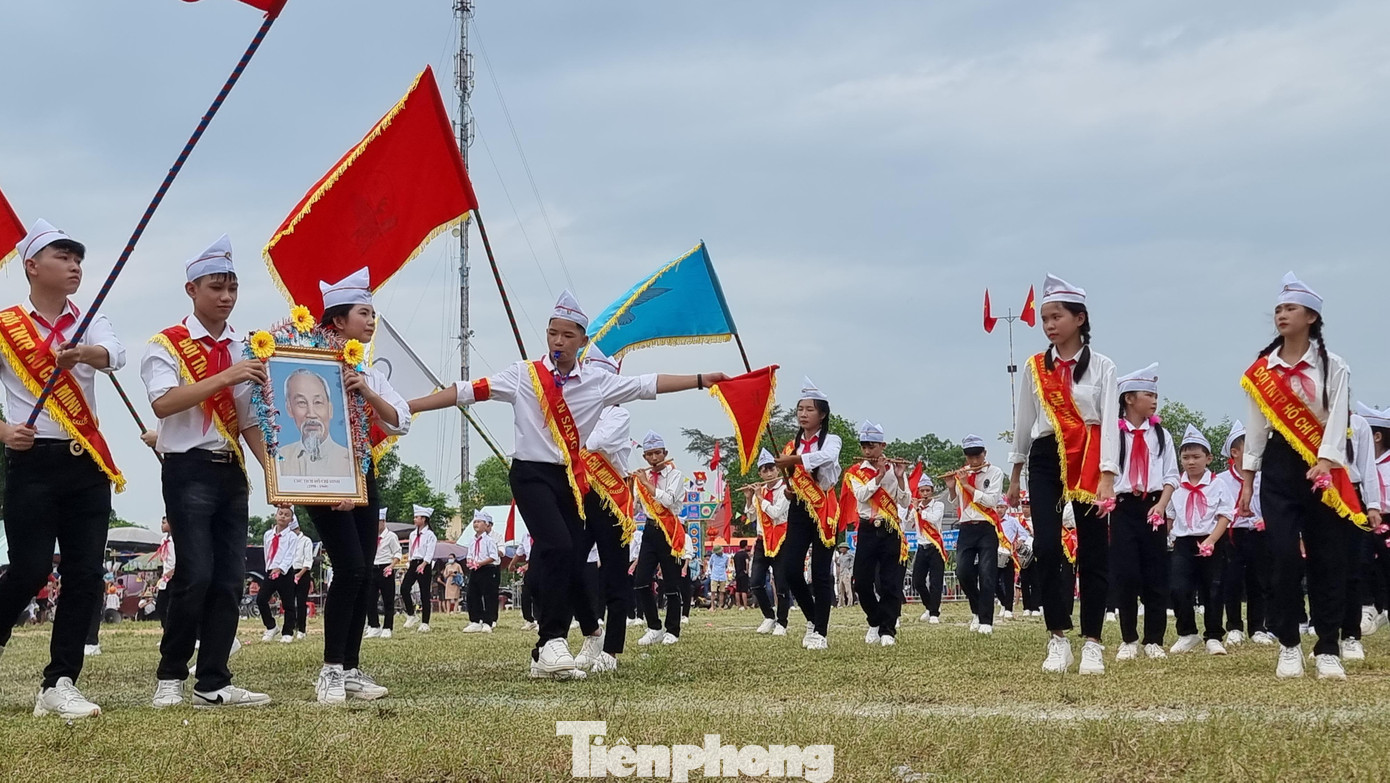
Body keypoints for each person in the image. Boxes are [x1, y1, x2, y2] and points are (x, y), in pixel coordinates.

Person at [406, 290, 727, 679]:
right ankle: (554, 640)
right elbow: (466, 391)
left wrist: (700, 380)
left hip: (571, 483)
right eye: (552, 333)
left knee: (570, 559)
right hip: (530, 475)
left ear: (583, 341)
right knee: (557, 547)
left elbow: (648, 384)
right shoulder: (524, 375)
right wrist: (410, 406)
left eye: (567, 335)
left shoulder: (597, 382)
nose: (558, 341)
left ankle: (555, 648)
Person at [0, 220, 125, 719]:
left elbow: (114, 354)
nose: (74, 267)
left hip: (84, 461)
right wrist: (4, 432)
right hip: (32, 461)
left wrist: (81, 354)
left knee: (85, 574)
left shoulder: (89, 319)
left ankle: (60, 682)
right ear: (32, 266)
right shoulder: (7, 325)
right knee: (29, 568)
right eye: (63, 257)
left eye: (78, 259)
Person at [141, 234, 271, 709]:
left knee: (230, 578)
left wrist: (275, 474)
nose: (226, 296)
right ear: (191, 289)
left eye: (233, 287)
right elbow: (163, 402)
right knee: (195, 573)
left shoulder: (244, 347)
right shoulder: (166, 345)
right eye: (216, 287)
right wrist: (225, 376)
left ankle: (213, 680)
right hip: (187, 467)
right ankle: (171, 674)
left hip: (230, 469)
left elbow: (249, 420)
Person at [1237, 272, 1373, 681]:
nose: (1281, 315)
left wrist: (1327, 461)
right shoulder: (1262, 370)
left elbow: (1338, 419)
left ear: (1311, 317)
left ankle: (1328, 645)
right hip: (1280, 462)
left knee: (1327, 557)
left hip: (1323, 466)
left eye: (1290, 308)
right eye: (1278, 309)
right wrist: (1248, 479)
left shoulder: (1333, 365)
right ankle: (1288, 644)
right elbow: (1256, 428)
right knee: (1281, 555)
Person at [297, 269, 407, 705]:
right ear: (338, 321)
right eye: (364, 313)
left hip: (361, 474)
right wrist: (332, 484)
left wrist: (367, 392)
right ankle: (330, 669)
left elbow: (399, 420)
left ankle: (351, 667)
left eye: (373, 314)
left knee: (363, 574)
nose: (371, 321)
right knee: (349, 569)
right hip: (321, 474)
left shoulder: (366, 372)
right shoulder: (310, 362)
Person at [1007, 274, 1120, 676]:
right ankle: (1057, 637)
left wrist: (1108, 474)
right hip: (1044, 456)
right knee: (1048, 547)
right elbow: (1024, 421)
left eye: (1057, 317)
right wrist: (1015, 473)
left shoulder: (1103, 367)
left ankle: (1092, 642)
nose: (1050, 325)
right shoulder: (1035, 368)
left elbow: (1109, 423)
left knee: (1093, 549)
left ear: (1079, 318)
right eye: (1045, 319)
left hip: (1088, 457)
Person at [573, 344, 638, 672]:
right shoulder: (576, 411)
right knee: (569, 567)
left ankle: (611, 650)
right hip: (580, 497)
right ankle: (591, 632)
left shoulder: (618, 414)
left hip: (611, 499)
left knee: (614, 576)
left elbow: (597, 443)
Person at [1109, 363, 1179, 662]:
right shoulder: (1113, 434)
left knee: (1156, 574)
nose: (1154, 401)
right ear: (1129, 399)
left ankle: (1154, 639)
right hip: (1123, 507)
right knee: (1126, 574)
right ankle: (1129, 638)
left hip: (1153, 507)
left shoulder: (1161, 435)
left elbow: (1171, 475)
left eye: (1155, 396)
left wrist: (1161, 505)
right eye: (1148, 395)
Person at [770, 377, 843, 651]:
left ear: (822, 414)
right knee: (790, 569)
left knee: (820, 573)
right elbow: (792, 478)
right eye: (800, 409)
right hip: (799, 509)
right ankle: (812, 616)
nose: (803, 414)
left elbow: (826, 458)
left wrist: (796, 460)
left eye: (809, 409)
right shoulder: (792, 445)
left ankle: (820, 631)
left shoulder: (831, 440)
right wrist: (790, 489)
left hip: (824, 509)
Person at [1166, 426, 1234, 656]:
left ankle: (1213, 636)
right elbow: (1170, 516)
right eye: (1186, 457)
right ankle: (1187, 632)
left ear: (1208, 458)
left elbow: (1225, 515)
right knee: (1178, 587)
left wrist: (1212, 540)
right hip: (1183, 541)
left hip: (1211, 540)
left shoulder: (1218, 484)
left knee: (1213, 589)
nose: (1191, 462)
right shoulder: (1175, 485)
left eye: (1196, 457)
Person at [844, 420, 911, 646]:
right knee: (861, 581)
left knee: (890, 582)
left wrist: (900, 477)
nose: (867, 451)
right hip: (867, 528)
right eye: (864, 447)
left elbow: (905, 501)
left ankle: (887, 630)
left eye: (871, 446)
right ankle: (875, 620)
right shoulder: (855, 472)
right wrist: (879, 476)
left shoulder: (895, 470)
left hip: (890, 528)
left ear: (883, 446)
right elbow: (861, 496)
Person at [1217, 422, 1273, 646]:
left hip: (1258, 533)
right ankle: (1234, 626)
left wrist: (1265, 520)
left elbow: (1269, 504)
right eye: (1249, 448)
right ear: (1235, 452)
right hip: (1232, 534)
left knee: (1258, 580)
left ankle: (1258, 627)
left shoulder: (1263, 477)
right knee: (1232, 580)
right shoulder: (1222, 480)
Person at [946, 434, 1007, 635]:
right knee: (962, 571)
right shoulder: (962, 473)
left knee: (987, 573)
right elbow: (956, 503)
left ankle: (986, 621)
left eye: (977, 456)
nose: (973, 460)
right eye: (969, 456)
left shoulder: (995, 473)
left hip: (986, 527)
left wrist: (967, 486)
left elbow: (991, 501)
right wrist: (952, 487)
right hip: (966, 527)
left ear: (984, 453)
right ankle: (977, 610)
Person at [633, 431, 687, 646]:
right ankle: (654, 627)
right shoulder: (642, 479)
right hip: (649, 531)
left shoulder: (675, 475)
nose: (654, 458)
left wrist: (646, 484)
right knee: (640, 582)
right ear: (644, 457)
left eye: (657, 453)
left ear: (665, 453)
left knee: (671, 584)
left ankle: (672, 629)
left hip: (670, 530)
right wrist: (629, 487)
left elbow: (668, 500)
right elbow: (636, 508)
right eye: (649, 454)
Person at [1341, 407, 1384, 661]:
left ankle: (1351, 635)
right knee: (1324, 568)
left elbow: (1367, 466)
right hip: (1321, 493)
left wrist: (1373, 505)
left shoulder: (1358, 424)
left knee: (1354, 567)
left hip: (1352, 494)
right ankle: (1326, 636)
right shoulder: (1310, 422)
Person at [744, 450, 791, 635]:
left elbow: (776, 512)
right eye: (765, 470)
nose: (769, 473)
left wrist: (760, 498)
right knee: (755, 582)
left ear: (777, 470)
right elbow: (751, 516)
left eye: (772, 469)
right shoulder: (760, 491)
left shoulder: (786, 489)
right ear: (760, 474)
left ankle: (782, 622)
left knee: (781, 583)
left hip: (781, 540)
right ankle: (769, 616)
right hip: (762, 541)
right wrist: (749, 497)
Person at [278, 368, 353, 477]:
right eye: (301, 403)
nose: (311, 414)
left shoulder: (349, 460)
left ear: (330, 409)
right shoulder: (279, 459)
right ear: (289, 409)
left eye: (318, 402)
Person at [905, 476, 947, 623]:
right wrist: (910, 507)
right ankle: (930, 606)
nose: (925, 493)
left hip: (935, 547)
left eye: (927, 490)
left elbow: (934, 518)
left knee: (936, 582)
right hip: (921, 547)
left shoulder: (938, 505)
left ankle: (934, 613)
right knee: (917, 581)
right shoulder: (917, 507)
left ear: (932, 491)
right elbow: (908, 520)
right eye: (922, 491)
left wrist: (919, 509)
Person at [257, 507, 299, 644]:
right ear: (276, 516)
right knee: (261, 599)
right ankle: (271, 626)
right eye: (280, 514)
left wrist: (280, 568)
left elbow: (290, 555)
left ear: (291, 520)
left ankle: (287, 632)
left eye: (286, 515)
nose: (283, 517)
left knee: (288, 603)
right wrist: (269, 567)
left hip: (284, 572)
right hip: (270, 571)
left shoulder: (292, 536)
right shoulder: (268, 534)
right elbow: (267, 552)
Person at [400, 506, 437, 634]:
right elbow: (411, 550)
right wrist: (409, 562)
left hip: (424, 564)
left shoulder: (430, 535)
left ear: (424, 519)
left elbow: (430, 551)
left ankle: (425, 622)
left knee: (424, 593)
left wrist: (424, 563)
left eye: (417, 517)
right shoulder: (412, 534)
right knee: (404, 588)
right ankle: (411, 614)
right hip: (413, 563)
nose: (414, 519)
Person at [365, 509, 401, 639]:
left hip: (385, 567)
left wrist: (391, 566)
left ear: (383, 521)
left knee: (388, 599)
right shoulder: (371, 536)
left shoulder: (391, 536)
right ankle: (374, 625)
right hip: (372, 567)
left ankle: (387, 627)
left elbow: (397, 552)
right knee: (370, 599)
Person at [464, 511, 501, 632]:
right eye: (474, 522)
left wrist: (480, 563)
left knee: (488, 596)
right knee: (472, 595)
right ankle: (475, 620)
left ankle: (488, 622)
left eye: (479, 522)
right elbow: (469, 554)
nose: (476, 524)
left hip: (487, 569)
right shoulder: (472, 540)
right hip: (475, 569)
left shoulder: (489, 540)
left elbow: (493, 556)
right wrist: (470, 561)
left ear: (486, 525)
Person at [996, 509, 1033, 621]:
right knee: (993, 581)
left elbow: (1024, 534)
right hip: (994, 553)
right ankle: (1003, 602)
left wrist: (1020, 542)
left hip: (1009, 554)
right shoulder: (992, 519)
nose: (999, 510)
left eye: (1001, 507)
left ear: (1005, 508)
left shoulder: (1012, 521)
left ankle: (1008, 609)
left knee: (1008, 582)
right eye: (997, 507)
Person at [290, 519, 313, 640]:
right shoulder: (289, 540)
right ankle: (291, 626)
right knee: (289, 602)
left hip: (302, 572)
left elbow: (308, 561)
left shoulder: (306, 541)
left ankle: (301, 629)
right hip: (290, 572)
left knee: (301, 602)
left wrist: (299, 575)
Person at [512, 534, 538, 632]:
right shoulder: (525, 536)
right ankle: (529, 619)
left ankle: (539, 620)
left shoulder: (542, 533)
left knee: (539, 594)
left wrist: (531, 564)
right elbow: (519, 552)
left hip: (542, 564)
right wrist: (512, 564)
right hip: (529, 567)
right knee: (526, 594)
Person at [155, 517, 176, 628]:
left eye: (164, 523)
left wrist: (173, 571)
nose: (162, 525)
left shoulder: (177, 540)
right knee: (160, 605)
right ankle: (166, 629)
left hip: (175, 576)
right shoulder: (163, 540)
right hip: (165, 577)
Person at [708, 546, 731, 610]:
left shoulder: (726, 557)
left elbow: (726, 566)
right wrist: (713, 571)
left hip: (722, 576)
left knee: (722, 592)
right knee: (713, 592)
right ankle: (712, 606)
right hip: (714, 575)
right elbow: (710, 565)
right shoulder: (713, 556)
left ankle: (720, 606)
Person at [834, 543, 854, 608]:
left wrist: (850, 574)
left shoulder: (850, 555)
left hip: (846, 573)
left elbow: (852, 566)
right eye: (840, 548)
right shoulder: (840, 556)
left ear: (846, 548)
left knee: (848, 589)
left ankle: (850, 603)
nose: (840, 549)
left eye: (842, 547)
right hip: (841, 573)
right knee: (840, 589)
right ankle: (841, 603)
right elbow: (838, 564)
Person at [732, 541, 751, 611]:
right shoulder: (745, 554)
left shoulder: (736, 555)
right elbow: (747, 562)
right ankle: (745, 606)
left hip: (738, 573)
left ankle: (738, 605)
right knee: (744, 590)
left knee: (737, 590)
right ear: (745, 546)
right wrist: (747, 570)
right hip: (743, 574)